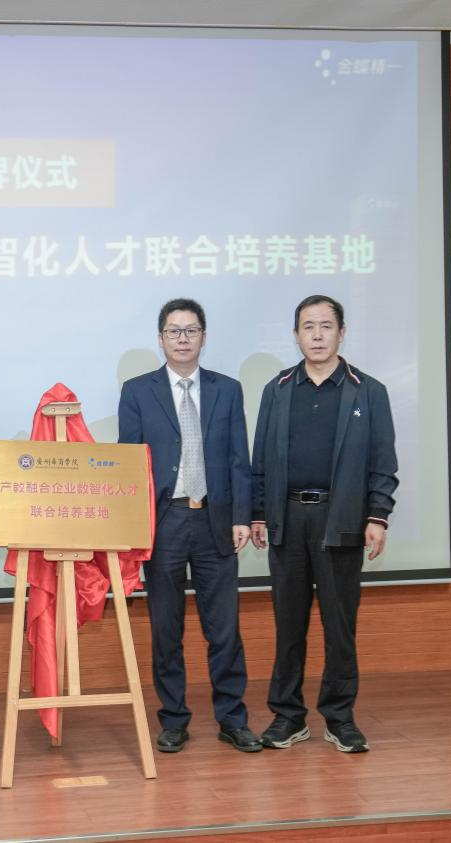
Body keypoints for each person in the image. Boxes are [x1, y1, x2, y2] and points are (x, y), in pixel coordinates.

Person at [251, 294, 398, 753]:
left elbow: (383, 462)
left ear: (342, 333)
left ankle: (340, 717)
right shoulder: (277, 389)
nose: (316, 335)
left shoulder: (368, 391)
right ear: (295, 335)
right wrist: (259, 513)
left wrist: (377, 517)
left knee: (339, 625)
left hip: (342, 519)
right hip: (288, 519)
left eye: (325, 326)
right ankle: (287, 716)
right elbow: (260, 461)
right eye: (308, 327)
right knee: (288, 625)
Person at [118, 298, 260, 754]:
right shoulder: (137, 391)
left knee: (224, 629)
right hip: (165, 522)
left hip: (216, 520)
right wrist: (136, 526)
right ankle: (174, 719)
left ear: (204, 336)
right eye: (174, 331)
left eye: (191, 330)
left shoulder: (227, 389)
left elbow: (239, 458)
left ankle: (232, 719)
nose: (182, 339)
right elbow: (129, 465)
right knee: (167, 627)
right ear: (160, 338)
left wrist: (242, 516)